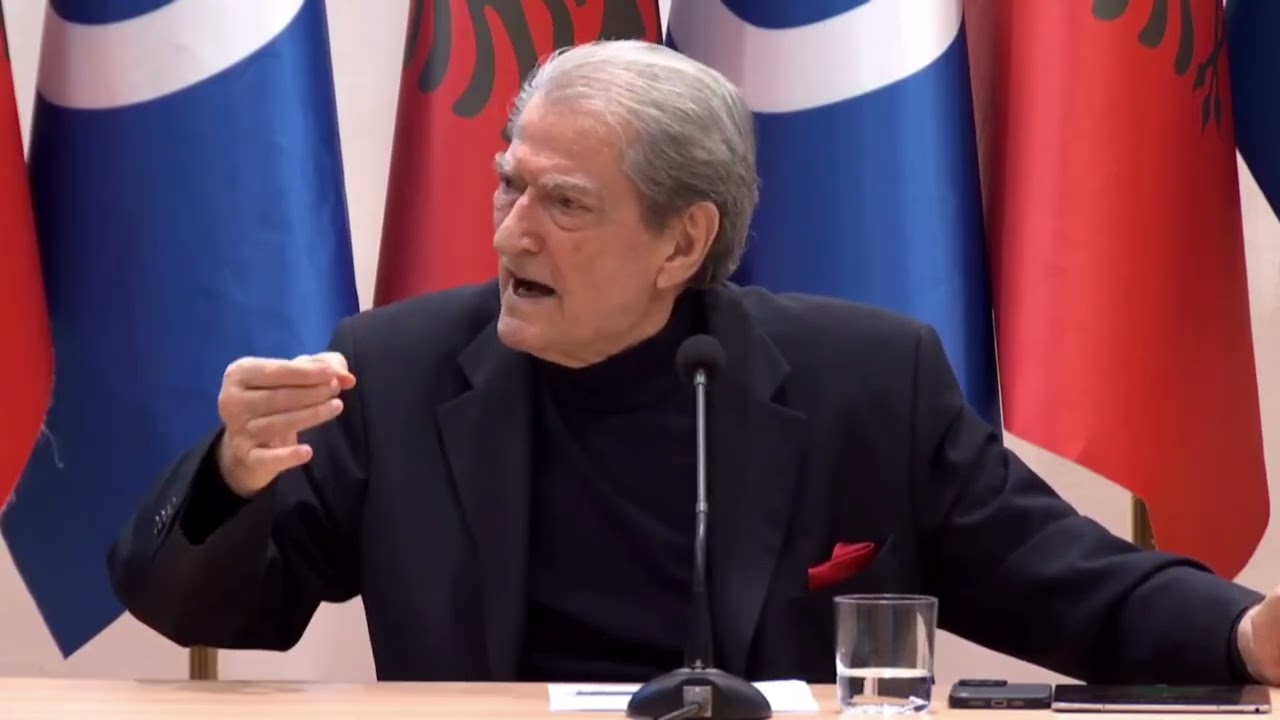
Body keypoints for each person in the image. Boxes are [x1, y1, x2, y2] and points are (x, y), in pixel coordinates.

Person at [108, 39, 1280, 686]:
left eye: (564, 204)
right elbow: (208, 610)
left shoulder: (867, 381)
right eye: (509, 186)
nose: (512, 235)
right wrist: (230, 478)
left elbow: (1060, 579)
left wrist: (1242, 634)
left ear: (681, 242)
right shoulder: (397, 371)